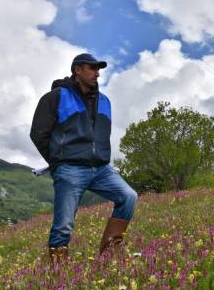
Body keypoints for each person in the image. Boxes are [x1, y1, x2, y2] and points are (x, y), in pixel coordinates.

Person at [30, 53, 138, 265]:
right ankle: (57, 270)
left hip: (101, 169)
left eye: (98, 69)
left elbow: (102, 135)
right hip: (69, 169)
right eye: (92, 68)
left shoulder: (105, 101)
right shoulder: (56, 97)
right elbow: (38, 134)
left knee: (129, 196)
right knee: (64, 224)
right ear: (77, 70)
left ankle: (110, 253)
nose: (97, 73)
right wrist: (58, 162)